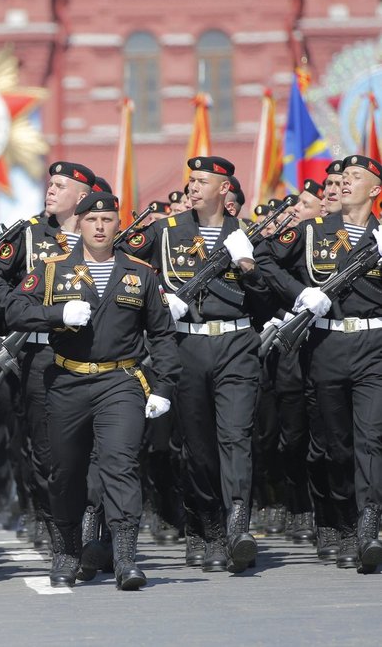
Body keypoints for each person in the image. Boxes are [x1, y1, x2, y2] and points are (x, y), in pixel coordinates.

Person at [4, 191, 180, 589]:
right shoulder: (51, 270)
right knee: (65, 472)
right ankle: (66, 552)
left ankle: (125, 558)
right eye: (91, 220)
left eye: (107, 220)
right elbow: (13, 310)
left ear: (117, 225)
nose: (100, 227)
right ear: (78, 224)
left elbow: (163, 334)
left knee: (120, 465)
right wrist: (55, 314)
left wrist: (164, 385)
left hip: (121, 382)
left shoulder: (140, 273)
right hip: (66, 381)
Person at [124, 156, 265, 574]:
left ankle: (238, 525)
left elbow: (267, 295)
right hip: (186, 346)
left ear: (225, 188)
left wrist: (248, 266)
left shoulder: (243, 233)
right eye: (190, 181)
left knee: (236, 436)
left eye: (202, 181)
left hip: (237, 343)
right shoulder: (166, 232)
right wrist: (157, 300)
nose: (192, 187)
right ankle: (207, 528)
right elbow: (118, 262)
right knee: (199, 447)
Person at [256, 154, 382, 573]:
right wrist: (299, 293)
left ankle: (366, 528)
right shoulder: (311, 231)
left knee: (371, 440)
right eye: (342, 176)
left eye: (356, 177)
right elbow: (264, 256)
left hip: (375, 344)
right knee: (335, 445)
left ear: (375, 190)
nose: (345, 182)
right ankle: (341, 521)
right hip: (326, 344)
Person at [0, 161, 95, 551]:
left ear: (81, 197)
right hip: (40, 355)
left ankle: (92, 529)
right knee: (46, 450)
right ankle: (55, 527)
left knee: (92, 448)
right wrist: (16, 305)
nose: (50, 190)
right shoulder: (29, 234)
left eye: (59, 186)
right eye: (50, 184)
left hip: (92, 354)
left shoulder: (99, 233)